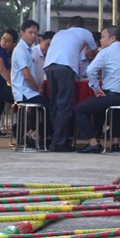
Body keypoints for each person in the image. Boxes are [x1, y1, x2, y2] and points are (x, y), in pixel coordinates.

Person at [44, 16, 97, 152]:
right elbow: (94, 51)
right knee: (65, 105)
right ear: (82, 26)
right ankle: (59, 143)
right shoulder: (85, 33)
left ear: (68, 25)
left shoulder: (59, 33)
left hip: (49, 66)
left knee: (55, 104)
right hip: (65, 67)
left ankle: (57, 139)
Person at [75, 26, 120, 154]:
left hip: (111, 95)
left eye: (103, 37)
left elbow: (90, 70)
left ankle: (93, 142)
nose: (100, 41)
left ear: (113, 38)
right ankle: (115, 143)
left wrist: (95, 88)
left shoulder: (106, 52)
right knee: (116, 109)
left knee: (80, 109)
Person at [11, 20, 51, 145]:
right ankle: (35, 135)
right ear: (22, 33)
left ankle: (30, 133)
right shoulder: (21, 51)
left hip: (28, 92)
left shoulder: (27, 50)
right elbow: (27, 76)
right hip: (25, 92)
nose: (33, 36)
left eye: (35, 33)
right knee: (51, 109)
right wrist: (37, 89)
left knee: (42, 108)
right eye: (30, 32)